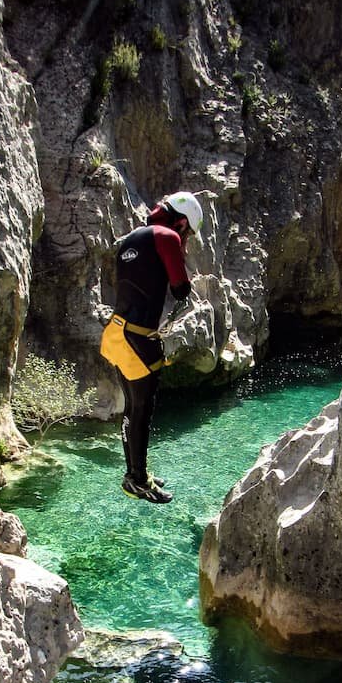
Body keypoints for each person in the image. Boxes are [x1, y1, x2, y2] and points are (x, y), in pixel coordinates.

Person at [100, 191, 203, 504]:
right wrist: (180, 250)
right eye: (188, 232)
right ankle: (136, 479)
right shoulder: (168, 236)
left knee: (132, 408)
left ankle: (136, 472)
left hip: (117, 332)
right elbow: (180, 287)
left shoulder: (132, 238)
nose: (185, 237)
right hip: (139, 338)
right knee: (141, 409)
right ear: (182, 222)